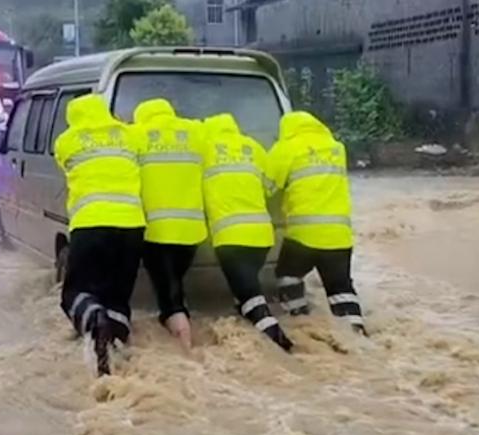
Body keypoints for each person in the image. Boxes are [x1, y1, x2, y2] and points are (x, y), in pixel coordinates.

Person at [54, 94, 147, 376]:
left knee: (74, 293)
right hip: (132, 226)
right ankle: (113, 351)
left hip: (90, 224)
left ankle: (94, 320)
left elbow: (64, 164)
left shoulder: (67, 141)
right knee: (118, 298)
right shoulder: (129, 135)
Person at [266, 111, 367, 336]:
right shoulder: (336, 148)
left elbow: (268, 187)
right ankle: (357, 333)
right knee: (340, 287)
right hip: (339, 236)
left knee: (287, 274)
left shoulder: (285, 149)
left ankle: (302, 320)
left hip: (304, 236)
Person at [202, 114, 294, 352]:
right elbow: (271, 187)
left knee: (250, 295)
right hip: (262, 236)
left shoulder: (204, 148)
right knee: (245, 292)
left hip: (230, 238)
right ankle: (261, 333)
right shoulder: (253, 146)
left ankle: (281, 344)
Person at [132, 98, 207, 351]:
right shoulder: (195, 131)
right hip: (192, 232)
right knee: (174, 282)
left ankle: (185, 348)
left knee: (169, 297)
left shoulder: (136, 134)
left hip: (156, 232)